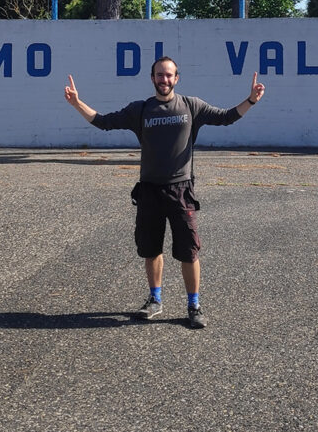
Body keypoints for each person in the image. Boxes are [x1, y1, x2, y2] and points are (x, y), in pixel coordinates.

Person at [64, 56, 265, 329]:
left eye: (169, 75)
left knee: (189, 251)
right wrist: (77, 104)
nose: (164, 80)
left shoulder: (191, 106)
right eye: (160, 75)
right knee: (151, 248)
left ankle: (194, 305)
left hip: (181, 190)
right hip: (149, 191)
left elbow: (226, 117)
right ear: (152, 78)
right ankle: (155, 300)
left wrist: (250, 100)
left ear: (177, 78)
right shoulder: (141, 109)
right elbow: (103, 121)